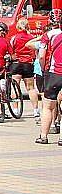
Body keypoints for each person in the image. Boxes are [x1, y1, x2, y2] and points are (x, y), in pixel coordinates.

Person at [36, 9, 62, 144]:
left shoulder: (47, 36)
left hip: (54, 73)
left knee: (47, 106)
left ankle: (43, 136)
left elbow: (41, 55)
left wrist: (42, 68)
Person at [9, 18, 39, 119]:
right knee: (31, 88)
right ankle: (35, 110)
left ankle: (15, 109)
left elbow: (11, 51)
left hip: (17, 64)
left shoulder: (14, 38)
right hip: (28, 63)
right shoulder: (32, 37)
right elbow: (35, 51)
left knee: (15, 87)